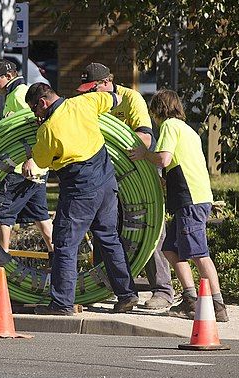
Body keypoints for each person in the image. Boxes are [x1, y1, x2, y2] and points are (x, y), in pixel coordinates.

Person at [25, 82, 139, 315]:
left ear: (43, 103)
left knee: (66, 244)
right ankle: (127, 294)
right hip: (107, 183)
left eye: (34, 109)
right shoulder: (85, 101)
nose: (34, 114)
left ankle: (61, 303)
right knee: (109, 238)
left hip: (79, 189)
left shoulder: (48, 130)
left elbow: (42, 162)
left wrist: (30, 153)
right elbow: (115, 99)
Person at [76, 62, 174, 310]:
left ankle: (162, 290)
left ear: (107, 84)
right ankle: (107, 286)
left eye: (92, 88)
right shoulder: (90, 103)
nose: (88, 94)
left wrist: (112, 149)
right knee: (105, 226)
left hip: (136, 172)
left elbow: (144, 138)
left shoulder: (131, 99)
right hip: (105, 172)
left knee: (149, 227)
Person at [127, 89, 228, 322]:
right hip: (193, 196)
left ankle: (218, 305)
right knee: (170, 248)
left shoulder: (170, 126)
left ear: (157, 110)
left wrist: (144, 154)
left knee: (199, 253)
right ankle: (190, 299)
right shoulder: (188, 129)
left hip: (189, 198)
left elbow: (164, 158)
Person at [0, 59, 54, 265]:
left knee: (1, 212)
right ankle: (57, 257)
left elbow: (37, 126)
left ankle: (1, 262)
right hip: (35, 170)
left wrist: (30, 158)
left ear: (10, 75)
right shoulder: (14, 94)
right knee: (40, 216)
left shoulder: (20, 94)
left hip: (22, 169)